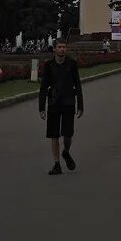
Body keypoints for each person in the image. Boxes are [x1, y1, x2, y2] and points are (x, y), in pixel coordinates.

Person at [38, 39, 84, 175]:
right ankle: (57, 164)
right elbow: (43, 87)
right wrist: (41, 107)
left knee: (67, 134)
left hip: (69, 102)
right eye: (59, 47)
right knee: (54, 135)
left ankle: (66, 152)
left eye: (64, 47)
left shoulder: (71, 64)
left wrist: (80, 105)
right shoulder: (49, 65)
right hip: (53, 103)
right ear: (55, 49)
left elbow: (78, 84)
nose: (62, 49)